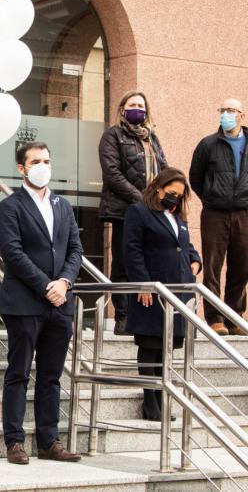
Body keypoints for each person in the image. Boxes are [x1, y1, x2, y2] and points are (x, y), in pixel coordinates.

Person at [0, 141, 83, 465]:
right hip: (24, 303)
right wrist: (46, 286)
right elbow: (13, 254)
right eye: (35, 161)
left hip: (60, 304)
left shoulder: (63, 205)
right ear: (22, 168)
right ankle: (15, 441)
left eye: (46, 160)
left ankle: (49, 441)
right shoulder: (10, 207)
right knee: (19, 373)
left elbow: (75, 249)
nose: (42, 165)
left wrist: (64, 283)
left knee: (51, 376)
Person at [124, 168, 201, 420]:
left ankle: (162, 398)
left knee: (167, 347)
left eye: (179, 196)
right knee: (150, 344)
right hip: (152, 290)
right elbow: (132, 250)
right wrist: (143, 283)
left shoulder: (178, 217)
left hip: (177, 291)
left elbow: (186, 246)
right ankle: (150, 402)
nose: (175, 199)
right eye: (171, 193)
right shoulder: (139, 212)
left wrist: (195, 262)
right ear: (158, 188)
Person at [99, 90, 168, 335]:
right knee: (123, 263)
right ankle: (123, 316)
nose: (137, 108)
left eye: (141, 105)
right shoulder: (113, 136)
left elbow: (164, 171)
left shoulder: (153, 139)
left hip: (152, 211)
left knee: (147, 262)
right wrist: (141, 198)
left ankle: (144, 316)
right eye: (132, 104)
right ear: (122, 109)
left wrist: (164, 196)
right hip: (124, 211)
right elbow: (112, 173)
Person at [189, 98, 248, 336]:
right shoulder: (208, 144)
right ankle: (215, 318)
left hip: (245, 212)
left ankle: (235, 317)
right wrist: (211, 198)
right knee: (213, 266)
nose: (226, 114)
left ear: (241, 116)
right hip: (215, 213)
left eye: (231, 110)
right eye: (223, 110)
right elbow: (195, 177)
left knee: (242, 266)